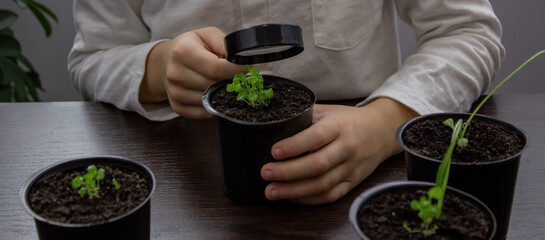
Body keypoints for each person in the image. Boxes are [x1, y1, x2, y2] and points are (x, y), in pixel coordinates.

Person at [68, 1, 504, 205]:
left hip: (370, 177)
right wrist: (158, 66)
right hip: (196, 186)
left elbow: (468, 31)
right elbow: (93, 58)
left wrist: (385, 122)